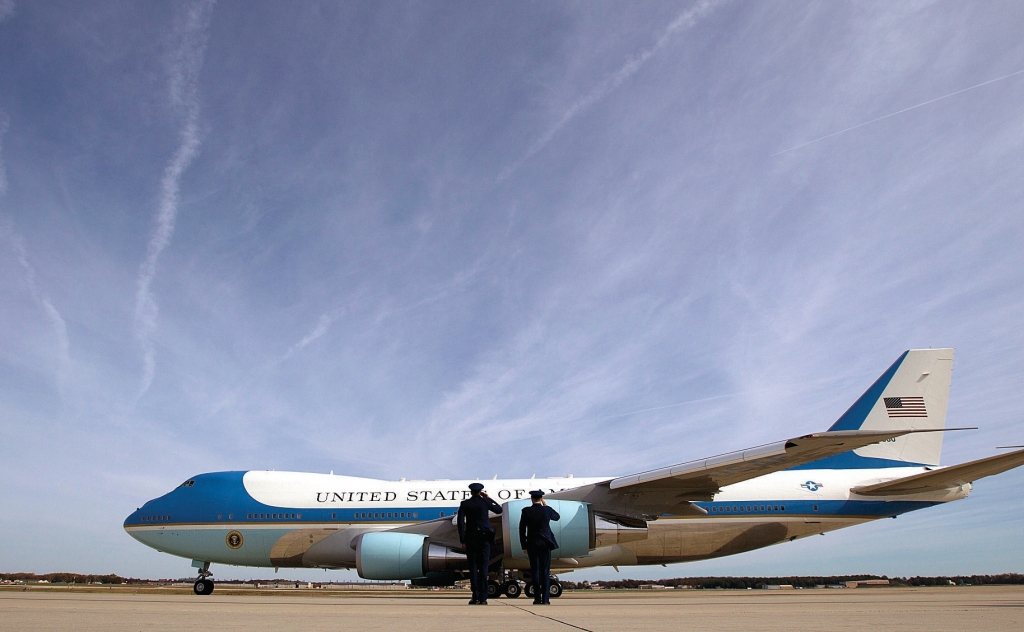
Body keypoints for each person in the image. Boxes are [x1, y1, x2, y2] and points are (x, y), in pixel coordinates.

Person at [457, 482, 502, 605]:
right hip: (485, 538)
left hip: (471, 539)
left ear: (470, 492)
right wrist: (488, 498)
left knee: (473, 568)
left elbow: (460, 523)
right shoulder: (485, 502)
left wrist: (463, 540)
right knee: (484, 567)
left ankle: (475, 596)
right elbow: (499, 509)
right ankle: (483, 597)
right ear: (480, 491)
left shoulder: (465, 504)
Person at [519, 490, 560, 604]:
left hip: (532, 543)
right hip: (546, 543)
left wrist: (524, 545)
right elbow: (557, 517)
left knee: (535, 571)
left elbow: (522, 529)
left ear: (531, 499)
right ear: (541, 499)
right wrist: (546, 505)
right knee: (545, 571)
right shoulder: (546, 510)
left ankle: (537, 598)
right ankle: (546, 599)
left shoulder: (526, 511)